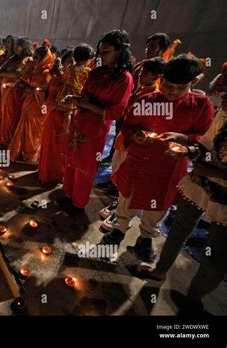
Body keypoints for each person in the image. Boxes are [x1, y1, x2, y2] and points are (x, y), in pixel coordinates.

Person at [101, 55, 215, 263]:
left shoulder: (200, 105)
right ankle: (119, 229)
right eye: (167, 85)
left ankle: (145, 237)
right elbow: (128, 127)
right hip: (139, 161)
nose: (171, 92)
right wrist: (136, 135)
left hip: (169, 167)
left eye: (179, 88)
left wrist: (182, 139)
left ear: (192, 83)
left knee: (159, 205)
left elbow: (205, 138)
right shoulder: (146, 101)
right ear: (161, 79)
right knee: (127, 197)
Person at [134, 68, 226, 313]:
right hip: (200, 181)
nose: (223, 102)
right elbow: (206, 145)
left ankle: (193, 299)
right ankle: (160, 270)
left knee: (216, 252)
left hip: (223, 195)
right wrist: (187, 149)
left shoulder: (200, 104)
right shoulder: (224, 114)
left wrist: (216, 173)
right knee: (180, 228)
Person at [58, 30, 134, 214]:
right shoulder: (96, 72)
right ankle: (67, 194)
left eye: (106, 52)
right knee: (72, 162)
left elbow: (115, 112)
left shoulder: (124, 79)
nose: (101, 56)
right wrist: (74, 99)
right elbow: (84, 96)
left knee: (85, 166)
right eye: (100, 52)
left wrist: (87, 104)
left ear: (119, 52)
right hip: (80, 121)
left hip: (96, 129)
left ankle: (78, 203)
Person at [100, 57, 166, 221]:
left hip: (133, 145)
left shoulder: (153, 97)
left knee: (128, 179)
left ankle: (122, 212)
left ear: (156, 77)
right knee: (117, 173)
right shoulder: (139, 90)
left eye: (145, 73)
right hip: (123, 139)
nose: (140, 75)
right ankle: (118, 204)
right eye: (141, 71)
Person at [8, 46, 55, 163]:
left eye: (37, 58)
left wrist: (31, 88)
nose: (34, 60)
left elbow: (44, 90)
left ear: (44, 59)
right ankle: (20, 151)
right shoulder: (33, 68)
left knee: (34, 129)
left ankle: (31, 154)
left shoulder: (46, 72)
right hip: (28, 101)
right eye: (33, 57)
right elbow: (21, 75)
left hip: (38, 105)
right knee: (24, 124)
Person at [38, 50, 75, 184]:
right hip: (51, 113)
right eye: (69, 61)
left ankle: (55, 174)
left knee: (59, 147)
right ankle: (45, 171)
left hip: (64, 117)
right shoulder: (57, 77)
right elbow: (49, 93)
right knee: (48, 144)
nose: (72, 64)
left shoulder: (76, 81)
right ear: (63, 63)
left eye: (75, 61)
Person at [0, 37, 34, 147]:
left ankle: (10, 140)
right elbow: (3, 69)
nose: (16, 47)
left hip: (15, 91)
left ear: (24, 47)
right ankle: (6, 139)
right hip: (6, 89)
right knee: (6, 114)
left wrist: (3, 74)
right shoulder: (14, 58)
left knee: (11, 115)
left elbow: (18, 74)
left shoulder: (27, 59)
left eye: (18, 45)